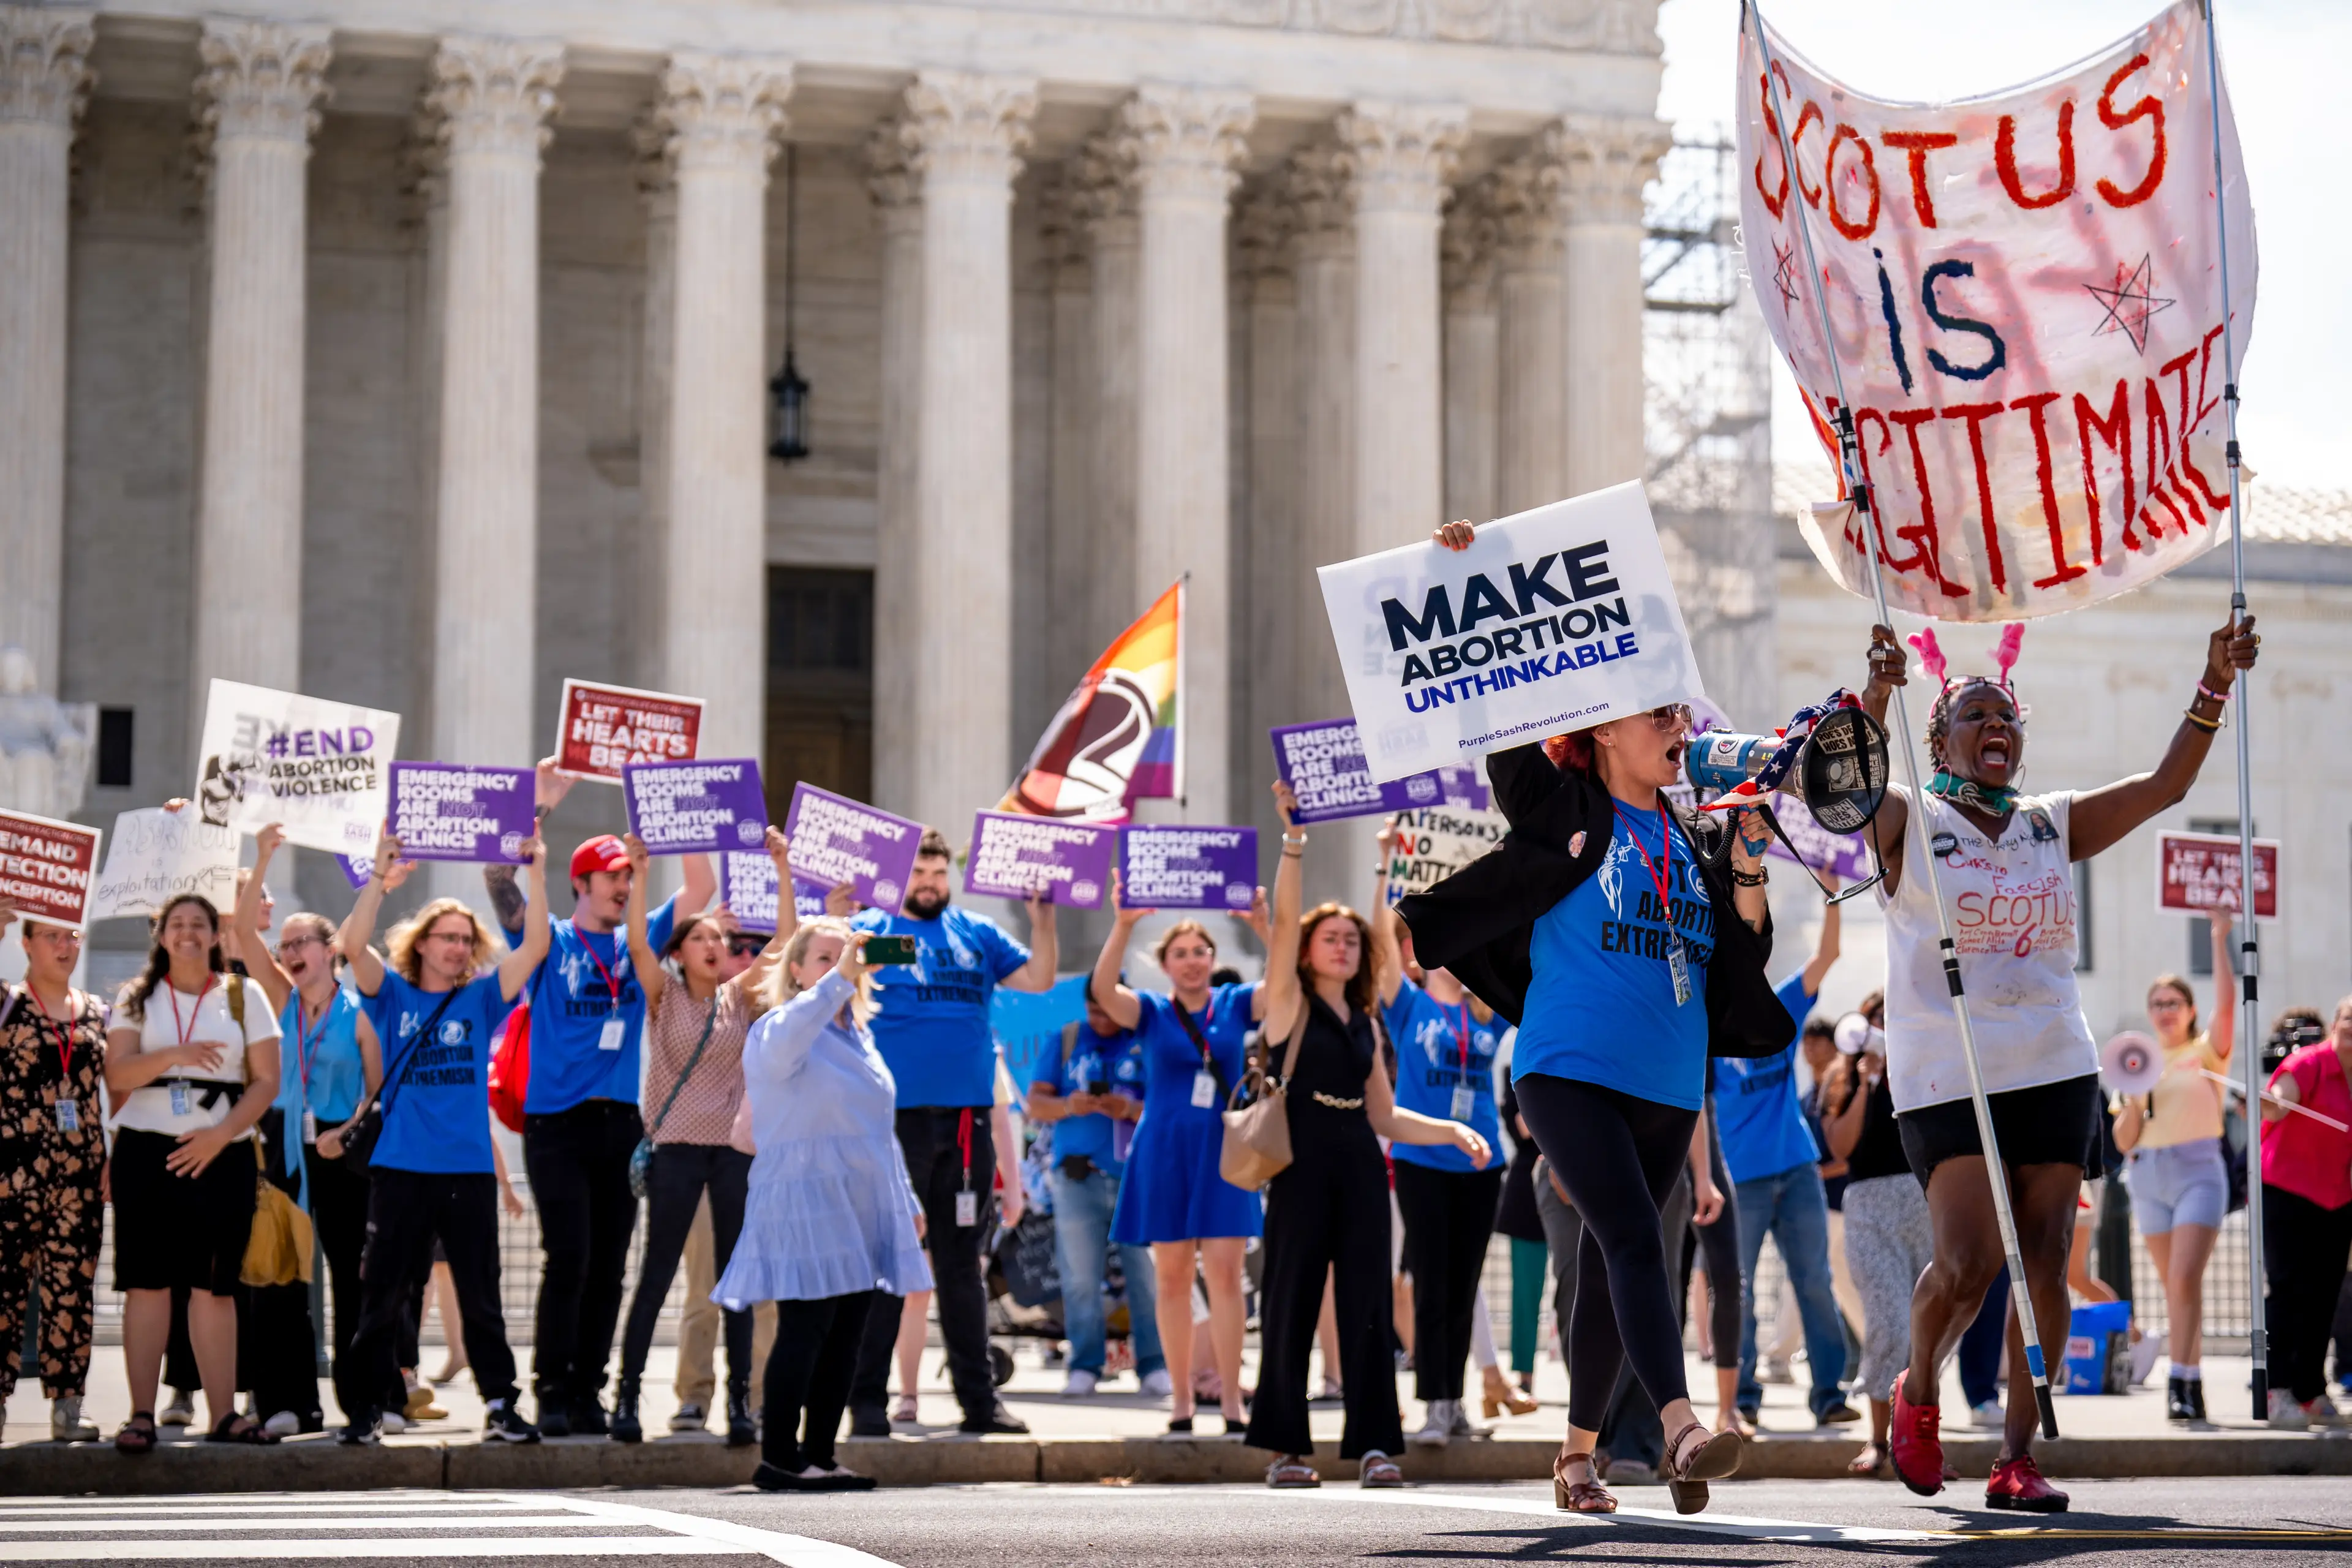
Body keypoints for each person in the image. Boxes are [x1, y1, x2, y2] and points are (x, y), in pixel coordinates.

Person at [1400, 514, 1787, 1518]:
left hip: (1667, 1082)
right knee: (1630, 1238)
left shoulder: (1695, 836)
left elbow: (1743, 956)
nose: (1679, 727)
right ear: (1604, 729)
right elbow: (1496, 716)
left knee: (1628, 1261)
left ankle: (1577, 1458)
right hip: (1566, 1069)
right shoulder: (1563, 810)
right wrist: (1468, 574)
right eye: (1658, 713)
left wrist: (1749, 858)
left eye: (1680, 713)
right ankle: (1681, 1428)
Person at [1860, 612, 2261, 1511]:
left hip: (2053, 1063)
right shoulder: (1910, 817)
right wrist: (1877, 695)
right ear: (1941, 738)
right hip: (1949, 1069)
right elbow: (1844, 790)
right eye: (1975, 714)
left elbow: (2163, 786)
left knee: (2043, 1260)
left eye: (2007, 715)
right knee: (1968, 1261)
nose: (1996, 724)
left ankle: (2015, 1456)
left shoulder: (2050, 822)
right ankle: (1917, 1387)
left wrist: (2215, 682)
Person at [1240, 779, 1491, 1488]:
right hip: (1299, 1163)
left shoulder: (1367, 1022)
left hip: (1357, 1161)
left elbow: (1385, 1115)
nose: (1345, 946)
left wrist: (1450, 1130)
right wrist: (1294, 842)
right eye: (1332, 938)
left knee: (1369, 1307)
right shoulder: (1287, 1004)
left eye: (1352, 939)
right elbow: (1283, 924)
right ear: (1307, 950)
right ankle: (1287, 1450)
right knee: (1289, 1302)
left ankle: (1376, 1446)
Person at [491, 758, 717, 1436]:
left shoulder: (639, 936)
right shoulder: (550, 937)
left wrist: (675, 807)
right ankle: (552, 1390)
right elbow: (500, 876)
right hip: (556, 1122)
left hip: (623, 1122)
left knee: (612, 1264)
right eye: (613, 876)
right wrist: (539, 805)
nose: (623, 886)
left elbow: (701, 886)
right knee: (569, 1257)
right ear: (581, 883)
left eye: (628, 876)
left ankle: (590, 1390)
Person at [336, 825, 548, 1444]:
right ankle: (367, 1409)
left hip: (467, 1171)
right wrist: (379, 880)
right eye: (447, 937)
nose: (458, 947)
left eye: (466, 939)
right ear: (422, 943)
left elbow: (536, 946)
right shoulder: (391, 994)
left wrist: (536, 869)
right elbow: (351, 944)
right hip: (401, 1168)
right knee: (382, 1294)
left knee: (481, 1295)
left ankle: (501, 1404)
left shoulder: (482, 998)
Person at [843, 828, 1053, 1437]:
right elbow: (828, 976)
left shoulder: (977, 933)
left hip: (966, 1124)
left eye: (939, 874)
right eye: (919, 874)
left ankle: (979, 1402)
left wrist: (1043, 920)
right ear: (898, 877)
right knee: (887, 1261)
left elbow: (1040, 978)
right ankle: (866, 1400)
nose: (931, 884)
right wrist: (837, 921)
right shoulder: (874, 931)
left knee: (962, 1269)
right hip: (892, 1124)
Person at [721, 918, 931, 1491]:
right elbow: (793, 1032)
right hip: (806, 1199)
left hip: (860, 1202)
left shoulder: (857, 1035)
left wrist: (906, 1196)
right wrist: (839, 979)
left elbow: (877, 1127)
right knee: (806, 1326)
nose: (843, 965)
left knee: (847, 1332)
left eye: (848, 956)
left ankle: (819, 1453)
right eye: (825, 957)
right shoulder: (778, 1027)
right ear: (795, 969)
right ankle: (779, 1457)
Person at [611, 828, 794, 1445]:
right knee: (658, 1275)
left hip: (732, 1156)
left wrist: (782, 867)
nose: (716, 945)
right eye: (702, 938)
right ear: (680, 953)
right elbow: (637, 941)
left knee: (738, 1279)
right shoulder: (662, 994)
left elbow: (784, 943)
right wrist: (640, 874)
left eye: (720, 938)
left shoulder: (739, 998)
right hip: (676, 1155)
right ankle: (627, 1399)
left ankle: (740, 1405)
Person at [1095, 872, 1273, 1435]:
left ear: (1213, 959)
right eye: (1181, 953)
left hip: (1224, 1154)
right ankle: (1181, 1401)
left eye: (1200, 952)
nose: (1192, 961)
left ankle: (1232, 1401)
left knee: (1225, 1276)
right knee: (1171, 1279)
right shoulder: (1150, 1010)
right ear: (1165, 964)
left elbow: (1287, 987)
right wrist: (1123, 925)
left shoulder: (1236, 1003)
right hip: (1164, 1153)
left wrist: (1265, 928)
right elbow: (1104, 992)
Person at [103, 892, 284, 1449]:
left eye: (198, 924)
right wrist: (175, 1054)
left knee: (214, 1287)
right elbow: (118, 1073)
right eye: (176, 924)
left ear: (214, 934)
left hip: (221, 1152)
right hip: (145, 1153)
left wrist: (220, 1135)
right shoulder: (136, 997)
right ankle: (141, 1415)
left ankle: (223, 1415)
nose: (187, 933)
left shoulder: (244, 993)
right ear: (161, 935)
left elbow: (267, 1081)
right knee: (147, 1286)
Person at [227, 826, 382, 1434]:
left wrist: (348, 1131)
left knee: (352, 1278)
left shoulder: (360, 1013)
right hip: (284, 1145)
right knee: (280, 1275)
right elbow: (244, 933)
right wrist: (263, 856)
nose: (289, 951)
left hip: (342, 1150)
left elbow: (377, 1091)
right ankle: (289, 1403)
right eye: (284, 944)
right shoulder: (280, 998)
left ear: (329, 951)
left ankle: (363, 1402)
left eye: (301, 943)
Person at [1368, 821, 1507, 1447]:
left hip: (1482, 1163)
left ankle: (1455, 1405)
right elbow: (1378, 943)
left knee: (1464, 1285)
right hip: (1422, 1160)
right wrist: (1384, 867)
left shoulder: (1488, 1011)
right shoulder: (1409, 1005)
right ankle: (1434, 1404)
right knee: (1430, 1283)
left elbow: (1521, 941)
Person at [1715, 891, 1856, 1431]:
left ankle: (1829, 1395)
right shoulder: (1705, 1027)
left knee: (1814, 1280)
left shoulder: (1781, 1004)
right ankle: (1742, 1397)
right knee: (1738, 1288)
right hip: (1741, 1180)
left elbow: (1829, 955)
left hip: (1797, 1169)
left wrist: (1831, 893)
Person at [2113, 909, 2237, 1423]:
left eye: (2174, 1002)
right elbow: (2124, 1140)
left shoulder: (2204, 1052)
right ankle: (2191, 1380)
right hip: (2149, 1176)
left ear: (2190, 1010)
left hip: (2198, 1171)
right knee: (2176, 1288)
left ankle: (2181, 1381)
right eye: (2157, 1003)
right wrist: (2137, 1096)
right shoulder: (2135, 1062)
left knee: (2185, 1277)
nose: (2165, 1011)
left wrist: (2219, 938)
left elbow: (2227, 1006)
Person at [0, 899, 108, 1442]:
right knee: (3, 1290)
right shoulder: (7, 1003)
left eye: (72, 937)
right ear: (26, 943)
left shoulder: (97, 1011)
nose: (65, 947)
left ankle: (69, 1406)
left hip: (80, 1173)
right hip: (11, 1172)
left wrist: (113, 1152)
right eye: (51, 937)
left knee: (73, 1288)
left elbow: (118, 1083)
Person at [1026, 995, 1167, 1399]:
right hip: (1077, 1177)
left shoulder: (1147, 1039)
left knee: (1147, 1277)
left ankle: (1155, 1364)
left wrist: (1131, 1108)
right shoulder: (1068, 1038)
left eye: (1109, 1010)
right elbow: (1036, 1103)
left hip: (1137, 1179)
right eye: (1094, 1011)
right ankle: (1084, 1365)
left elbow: (1169, 1103)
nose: (1101, 1020)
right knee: (1079, 1279)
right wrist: (1069, 1105)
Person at [673, 924, 785, 1433]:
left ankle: (761, 1397)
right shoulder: (702, 1009)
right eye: (734, 946)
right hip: (703, 1166)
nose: (743, 956)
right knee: (703, 1288)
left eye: (755, 948)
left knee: (764, 1293)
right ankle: (694, 1395)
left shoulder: (784, 1016)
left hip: (765, 1171)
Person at [1820, 999, 1926, 1477]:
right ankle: (1878, 1440)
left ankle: (1921, 1442)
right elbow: (1841, 1145)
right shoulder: (1843, 1079)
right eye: (1878, 1021)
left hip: (1922, 1205)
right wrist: (1867, 1082)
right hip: (1868, 1208)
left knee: (1927, 1332)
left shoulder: (1921, 1068)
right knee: (1888, 1323)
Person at [2257, 995, 2352, 1428]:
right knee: (2287, 1290)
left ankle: (2310, 1390)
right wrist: (2272, 1102)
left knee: (2324, 1295)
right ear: (2335, 1023)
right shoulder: (2310, 1063)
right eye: (2348, 1018)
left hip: (2338, 1196)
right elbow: (2279, 1100)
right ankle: (2277, 1390)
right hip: (2287, 1190)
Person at [1492, 1070, 1550, 1412]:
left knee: (1583, 1289)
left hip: (1581, 1187)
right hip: (1527, 1196)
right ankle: (1524, 1375)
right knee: (1526, 1294)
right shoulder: (1515, 1075)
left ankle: (1590, 1378)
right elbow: (1527, 1126)